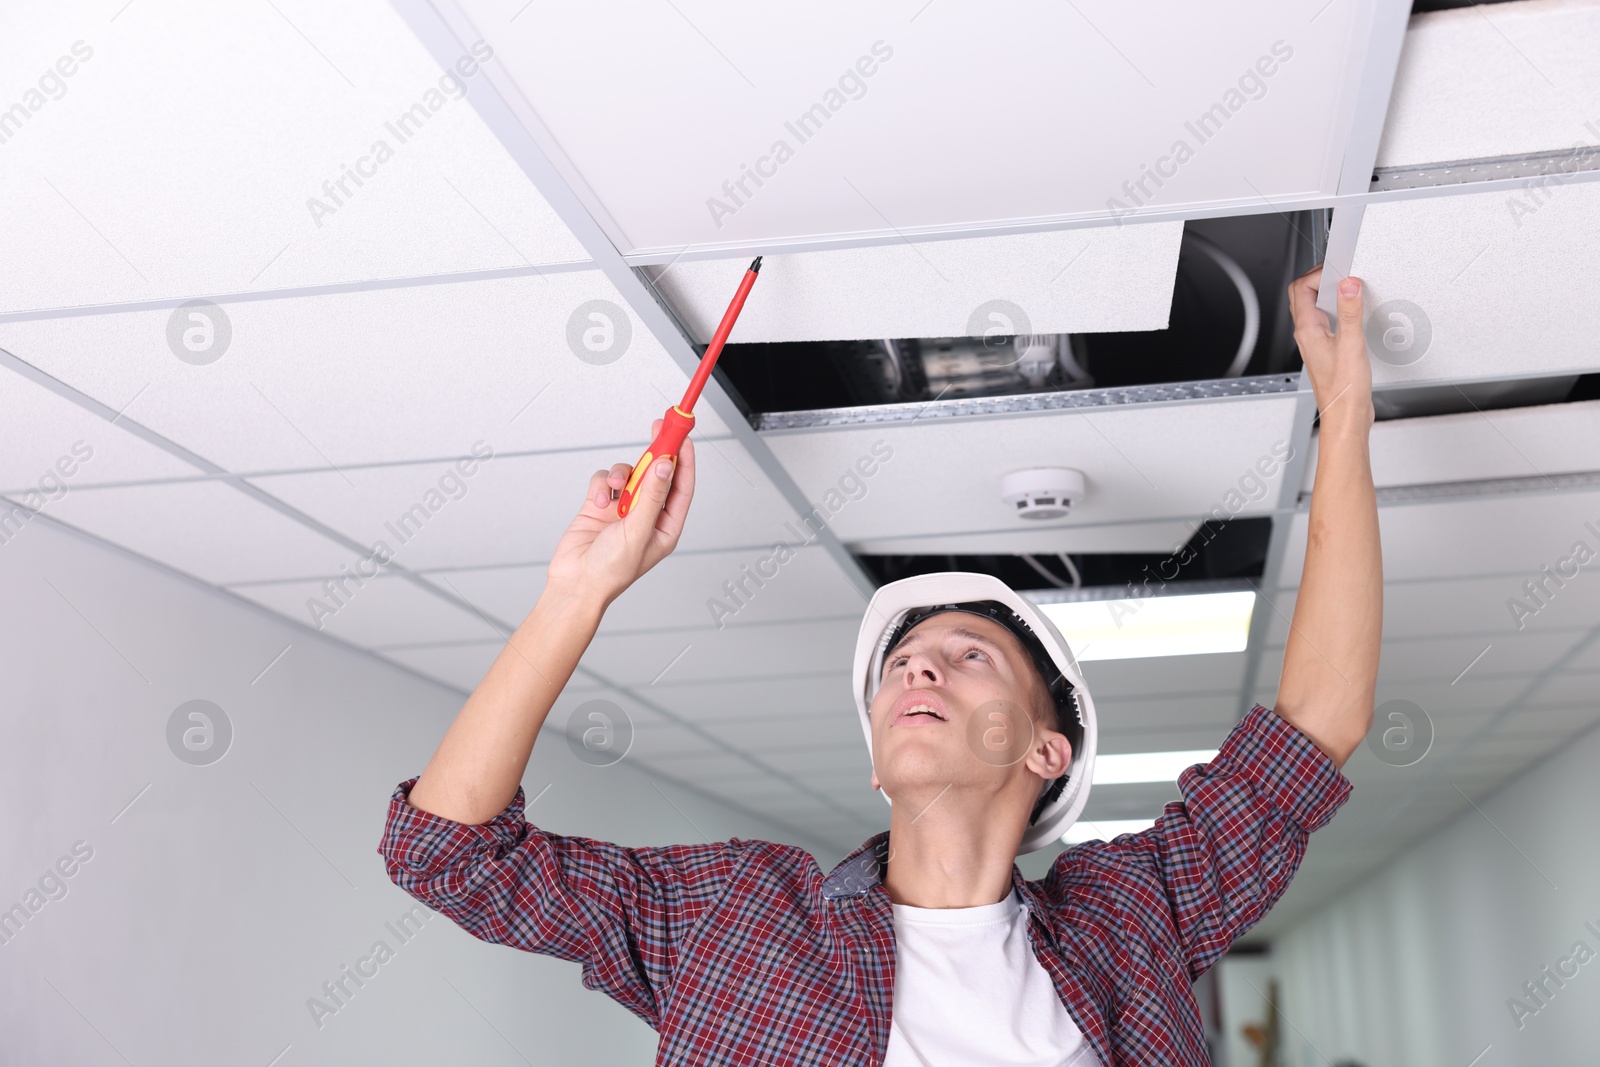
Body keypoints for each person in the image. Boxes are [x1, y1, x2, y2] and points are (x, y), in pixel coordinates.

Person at [378, 265, 1381, 1065]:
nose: (921, 671)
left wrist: (1343, 424)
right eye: (901, 661)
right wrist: (576, 592)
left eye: (967, 654)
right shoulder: (736, 917)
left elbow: (1315, 723)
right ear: (874, 761)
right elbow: (449, 855)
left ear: (1046, 747)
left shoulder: (1132, 919)